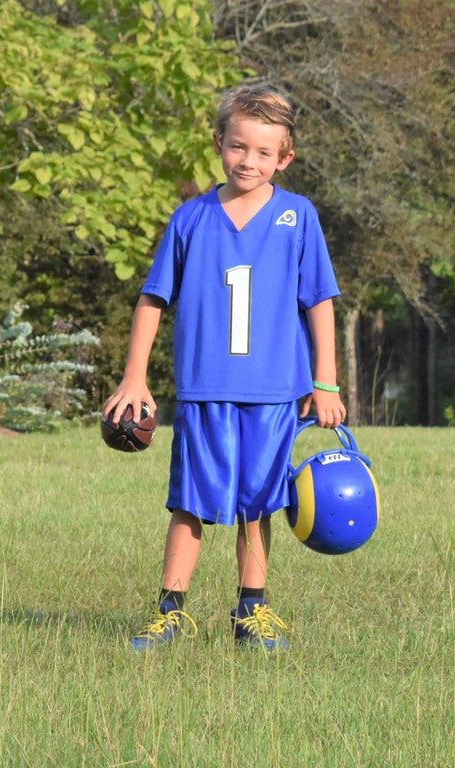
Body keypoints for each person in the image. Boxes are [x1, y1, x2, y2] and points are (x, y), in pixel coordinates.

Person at [103, 83, 346, 652]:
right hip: (204, 388)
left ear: (284, 158)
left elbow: (320, 302)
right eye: (239, 147)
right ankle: (170, 610)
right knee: (190, 500)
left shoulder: (298, 217)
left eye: (264, 153)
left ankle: (251, 611)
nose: (249, 161)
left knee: (257, 504)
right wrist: (134, 376)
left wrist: (326, 381)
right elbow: (152, 298)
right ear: (219, 144)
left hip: (273, 391)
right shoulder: (191, 219)